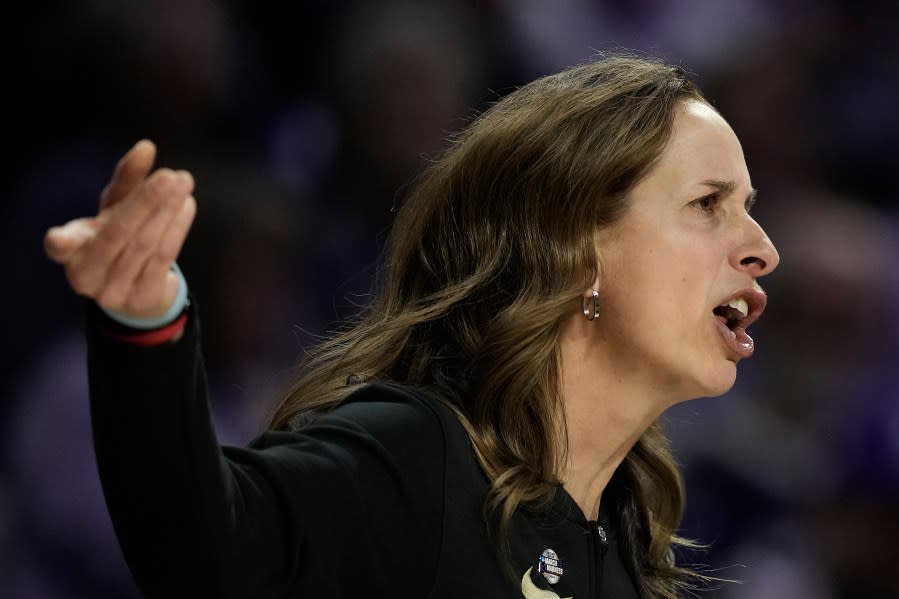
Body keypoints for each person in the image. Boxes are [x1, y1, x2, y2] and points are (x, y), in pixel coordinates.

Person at [44, 54, 779, 598]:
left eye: (747, 205)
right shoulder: (420, 457)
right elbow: (206, 551)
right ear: (575, 241)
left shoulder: (625, 539)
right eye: (708, 203)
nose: (761, 247)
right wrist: (144, 323)